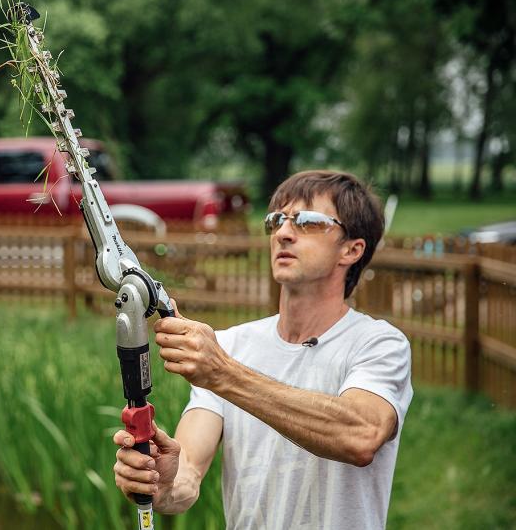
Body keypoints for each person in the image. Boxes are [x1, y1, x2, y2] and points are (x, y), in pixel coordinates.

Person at [112, 170, 413, 529]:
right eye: (277, 220)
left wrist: (224, 373)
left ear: (352, 249)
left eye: (308, 221)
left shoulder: (378, 344)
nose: (283, 233)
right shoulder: (232, 345)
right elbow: (188, 473)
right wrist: (161, 484)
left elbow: (360, 435)